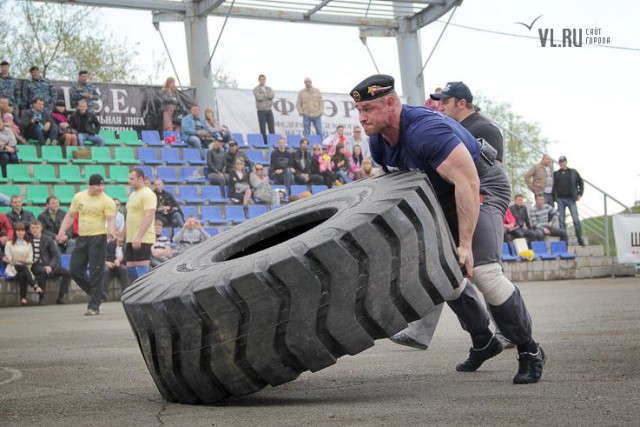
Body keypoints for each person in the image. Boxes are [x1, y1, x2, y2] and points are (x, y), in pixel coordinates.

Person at [352, 74, 545, 384]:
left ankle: (529, 350)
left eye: (369, 109)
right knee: (445, 274)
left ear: (391, 103)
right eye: (359, 111)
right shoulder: (378, 141)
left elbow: (468, 183)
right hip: (443, 195)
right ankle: (484, 340)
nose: (362, 118)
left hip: (481, 185)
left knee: (482, 271)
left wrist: (465, 245)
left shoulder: (425, 130)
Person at [56, 174, 116, 316]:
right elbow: (71, 215)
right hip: (82, 237)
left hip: (98, 237)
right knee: (74, 270)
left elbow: (110, 219)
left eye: (102, 185)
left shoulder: (107, 200)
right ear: (90, 185)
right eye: (98, 186)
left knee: (96, 271)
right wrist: (62, 230)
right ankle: (98, 293)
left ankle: (94, 305)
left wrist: (111, 231)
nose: (101, 188)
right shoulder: (79, 197)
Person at [430, 81, 504, 163]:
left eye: (445, 102)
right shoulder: (452, 129)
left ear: (462, 103)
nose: (440, 108)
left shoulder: (486, 130)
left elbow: (494, 172)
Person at [123, 169, 157, 281]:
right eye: (129, 178)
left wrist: (139, 236)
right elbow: (129, 217)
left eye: (132, 178)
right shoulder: (133, 194)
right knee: (130, 267)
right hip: (131, 238)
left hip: (143, 238)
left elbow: (149, 216)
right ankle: (140, 295)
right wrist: (122, 234)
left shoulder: (148, 194)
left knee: (142, 269)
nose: (129, 181)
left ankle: (148, 296)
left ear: (140, 179)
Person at [29, 220, 71, 305]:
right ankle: (41, 297)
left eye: (37, 228)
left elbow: (55, 255)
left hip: (49, 265)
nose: (35, 230)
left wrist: (50, 266)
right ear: (30, 230)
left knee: (67, 273)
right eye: (32, 228)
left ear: (41, 228)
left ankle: (61, 297)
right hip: (36, 265)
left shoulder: (48, 240)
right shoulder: (28, 240)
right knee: (42, 271)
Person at [3, 222, 38, 306]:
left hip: (25, 267)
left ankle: (23, 298)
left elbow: (30, 259)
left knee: (23, 273)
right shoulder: (9, 244)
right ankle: (34, 285)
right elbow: (10, 259)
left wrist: (19, 260)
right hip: (12, 268)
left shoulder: (28, 244)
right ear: (15, 232)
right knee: (22, 268)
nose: (20, 232)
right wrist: (21, 261)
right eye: (18, 230)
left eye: (22, 230)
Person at [553, 156, 585, 246]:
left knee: (576, 220)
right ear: (559, 163)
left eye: (563, 161)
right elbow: (554, 186)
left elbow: (581, 182)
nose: (562, 163)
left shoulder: (573, 172)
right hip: (560, 200)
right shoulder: (556, 174)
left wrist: (580, 193)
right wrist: (554, 197)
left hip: (571, 199)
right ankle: (564, 240)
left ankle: (580, 239)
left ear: (566, 162)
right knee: (562, 220)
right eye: (560, 162)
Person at [253, 74, 276, 145]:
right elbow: (259, 97)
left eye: (264, 79)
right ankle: (265, 143)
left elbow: (272, 95)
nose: (263, 80)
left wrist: (264, 95)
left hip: (269, 110)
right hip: (261, 110)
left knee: (271, 127)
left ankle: (272, 142)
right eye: (261, 79)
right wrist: (267, 96)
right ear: (259, 80)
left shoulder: (269, 88)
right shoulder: (256, 89)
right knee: (263, 128)